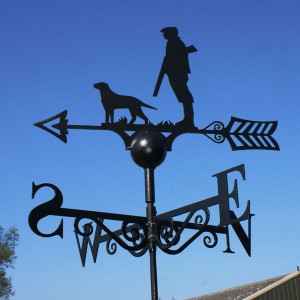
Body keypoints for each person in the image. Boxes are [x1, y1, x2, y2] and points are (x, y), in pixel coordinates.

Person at [158, 27, 197, 127]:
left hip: (177, 73)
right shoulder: (173, 42)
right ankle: (187, 120)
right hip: (175, 73)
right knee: (182, 96)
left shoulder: (175, 42)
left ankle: (188, 121)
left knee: (184, 96)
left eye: (165, 33)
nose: (163, 35)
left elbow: (177, 57)